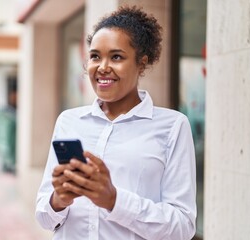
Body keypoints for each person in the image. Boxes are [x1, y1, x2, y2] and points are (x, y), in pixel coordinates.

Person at [36, 5, 196, 240]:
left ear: (141, 63)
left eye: (117, 57)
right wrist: (58, 200)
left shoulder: (172, 126)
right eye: (95, 56)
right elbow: (44, 217)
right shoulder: (69, 121)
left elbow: (182, 228)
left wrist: (114, 200)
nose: (102, 67)